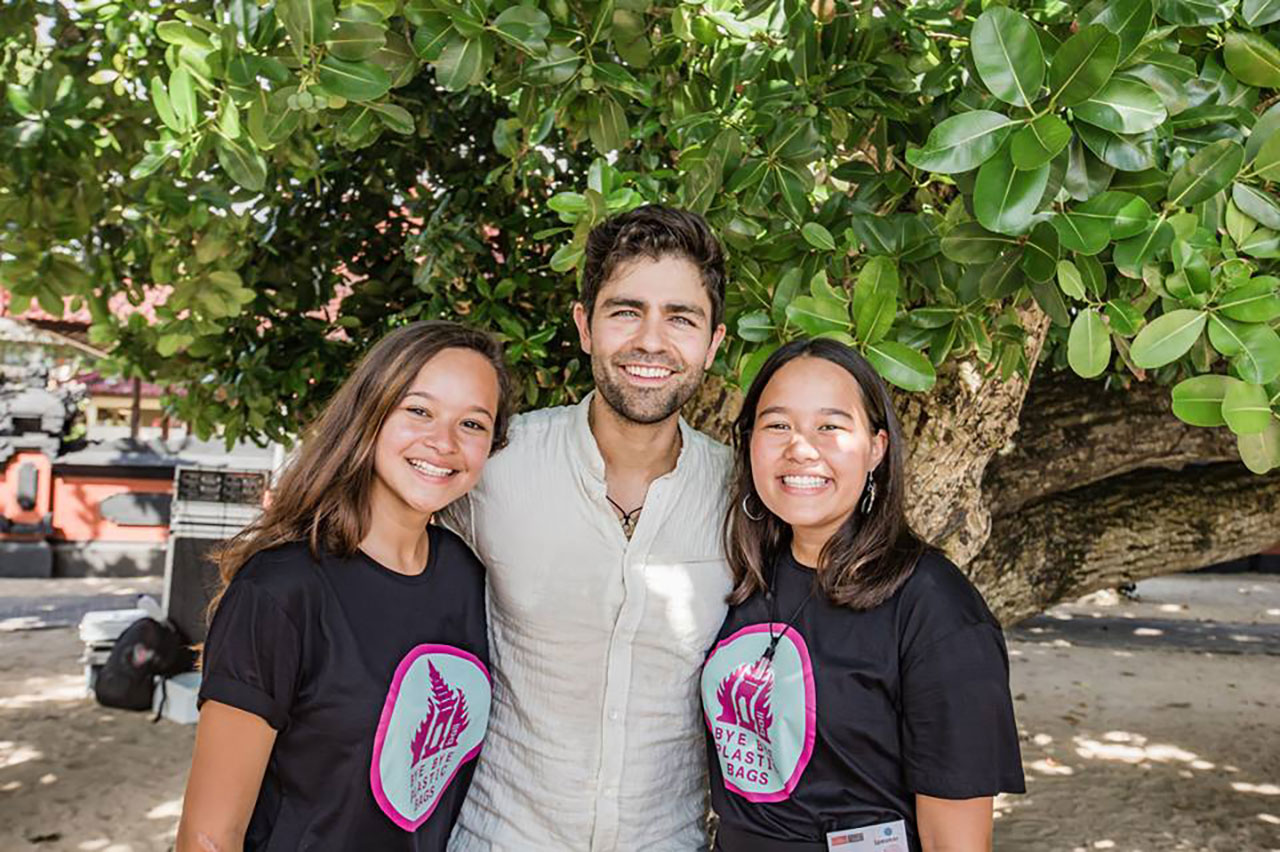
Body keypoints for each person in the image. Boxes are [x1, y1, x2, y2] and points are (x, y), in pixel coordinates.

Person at [443, 205, 732, 851]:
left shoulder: (742, 498)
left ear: (713, 344)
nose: (651, 341)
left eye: (680, 318)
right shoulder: (494, 467)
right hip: (498, 837)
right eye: (626, 311)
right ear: (585, 325)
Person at [177, 321, 514, 851]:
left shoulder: (466, 578)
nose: (443, 442)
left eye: (472, 423)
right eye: (419, 410)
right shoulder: (281, 591)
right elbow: (209, 835)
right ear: (371, 414)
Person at [703, 338, 1025, 852]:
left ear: (876, 447)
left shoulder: (934, 607)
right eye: (777, 425)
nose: (800, 448)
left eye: (829, 426)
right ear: (748, 441)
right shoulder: (741, 577)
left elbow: (957, 842)